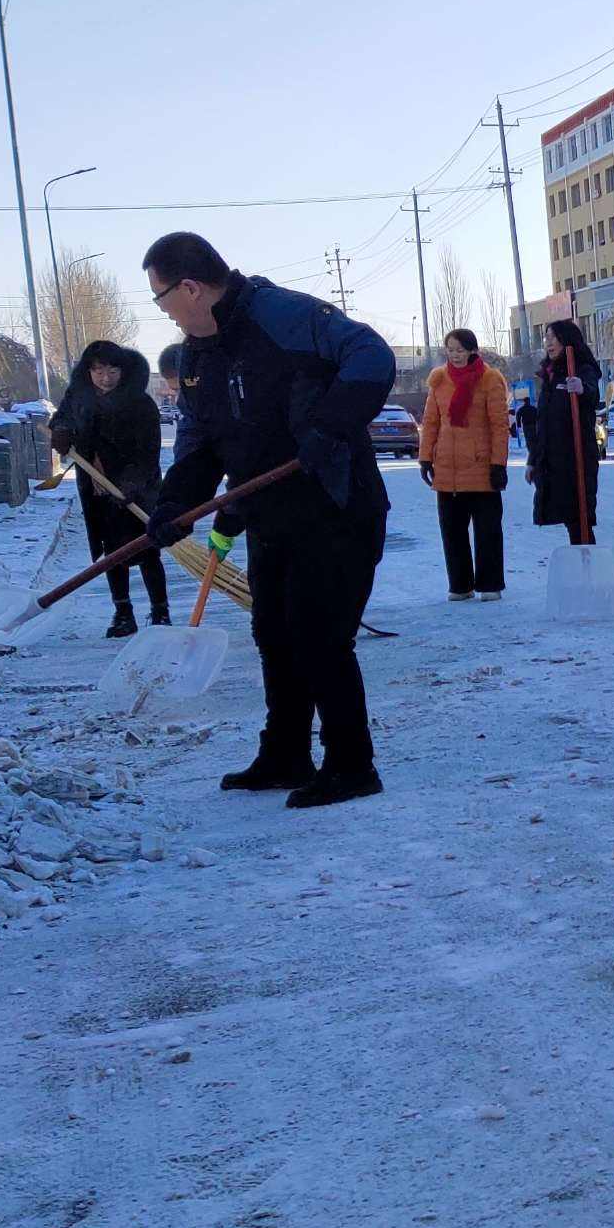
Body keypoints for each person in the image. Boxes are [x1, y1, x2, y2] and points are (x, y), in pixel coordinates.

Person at [140, 231, 395, 810]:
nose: (163, 312)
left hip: (336, 506)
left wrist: (330, 428)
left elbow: (371, 354)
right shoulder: (199, 354)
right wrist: (174, 505)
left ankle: (352, 763)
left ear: (191, 288)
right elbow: (200, 440)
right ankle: (285, 753)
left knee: (319, 638)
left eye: (161, 298)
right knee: (275, 637)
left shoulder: (281, 315)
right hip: (271, 516)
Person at [48, 341, 169, 637]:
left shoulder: (139, 403)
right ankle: (123, 613)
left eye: (112, 369)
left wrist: (132, 484)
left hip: (137, 490)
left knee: (147, 549)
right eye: (98, 369)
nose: (105, 377)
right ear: (88, 371)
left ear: (122, 370)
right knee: (111, 552)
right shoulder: (78, 396)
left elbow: (148, 452)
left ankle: (160, 612)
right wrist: (61, 434)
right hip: (97, 487)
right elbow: (61, 420)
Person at [418, 329, 510, 601]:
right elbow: (431, 422)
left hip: (481, 467)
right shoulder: (438, 380)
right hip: (447, 469)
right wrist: (425, 457)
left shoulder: (490, 379)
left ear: (472, 350)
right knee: (452, 531)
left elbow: (499, 425)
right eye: (450, 350)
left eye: (459, 350)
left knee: (487, 531)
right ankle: (460, 585)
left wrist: (498, 464)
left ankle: (490, 584)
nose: (454, 355)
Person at [528, 320, 602, 546]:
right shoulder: (550, 376)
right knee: (570, 518)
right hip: (553, 459)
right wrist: (534, 460)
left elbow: (592, 394)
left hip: (576, 458)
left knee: (579, 517)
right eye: (546, 338)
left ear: (567, 339)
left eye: (553, 338)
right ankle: (580, 563)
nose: (548, 344)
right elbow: (543, 423)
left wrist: (582, 388)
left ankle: (588, 566)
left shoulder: (580, 368)